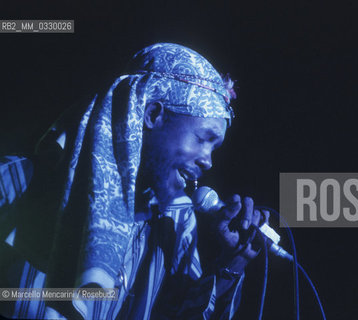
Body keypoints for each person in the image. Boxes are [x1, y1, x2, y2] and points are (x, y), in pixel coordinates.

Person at [0, 43, 267, 319]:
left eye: (214, 148)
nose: (207, 161)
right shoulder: (17, 182)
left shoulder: (176, 224)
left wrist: (233, 261)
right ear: (152, 115)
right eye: (202, 139)